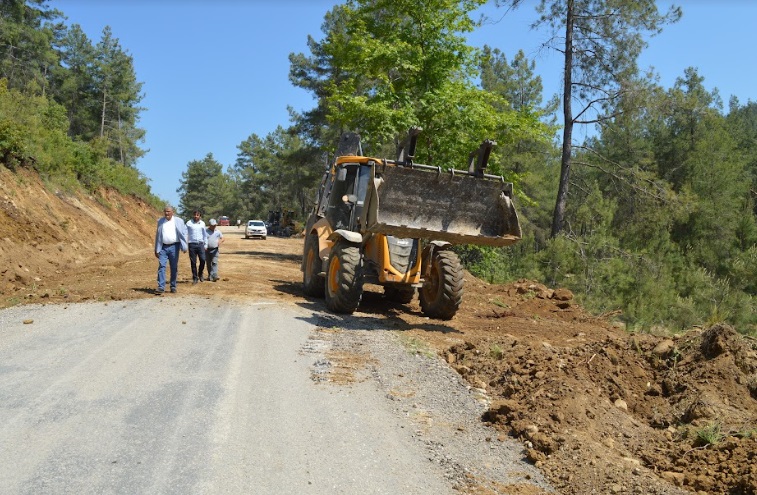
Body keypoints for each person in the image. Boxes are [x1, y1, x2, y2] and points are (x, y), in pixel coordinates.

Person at [154, 205, 188, 294]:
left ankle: (173, 286)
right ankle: (161, 287)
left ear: (172, 212)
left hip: (174, 247)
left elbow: (184, 233)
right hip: (163, 247)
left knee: (174, 267)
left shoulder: (179, 221)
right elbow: (158, 236)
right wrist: (156, 249)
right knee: (162, 266)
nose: (166, 213)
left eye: (168, 211)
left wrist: (184, 245)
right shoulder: (160, 221)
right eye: (165, 211)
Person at [186, 209, 208, 284]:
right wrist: (185, 244)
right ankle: (195, 277)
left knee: (203, 259)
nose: (196, 216)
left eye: (197, 215)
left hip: (200, 244)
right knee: (193, 262)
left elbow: (205, 235)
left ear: (200, 216)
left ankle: (200, 273)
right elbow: (185, 233)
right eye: (195, 215)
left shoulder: (202, 224)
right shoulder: (189, 223)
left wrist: (206, 244)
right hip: (192, 244)